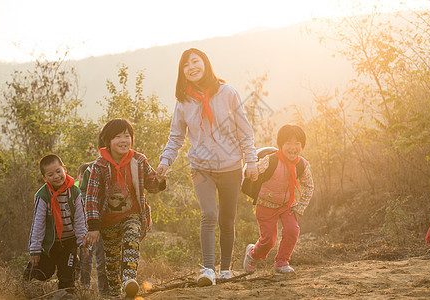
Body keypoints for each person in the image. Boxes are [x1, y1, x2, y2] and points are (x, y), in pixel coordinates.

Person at [156, 48, 258, 286]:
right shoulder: (183, 102)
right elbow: (176, 137)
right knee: (209, 214)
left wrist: (251, 160)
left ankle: (225, 269)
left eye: (195, 61)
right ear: (182, 72)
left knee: (227, 219)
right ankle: (208, 269)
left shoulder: (228, 93)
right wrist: (165, 161)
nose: (191, 67)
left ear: (205, 63)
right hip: (200, 168)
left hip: (231, 167)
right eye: (185, 65)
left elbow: (245, 132)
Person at [85, 118, 166, 299]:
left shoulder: (139, 160)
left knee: (131, 236)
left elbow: (151, 185)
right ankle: (116, 293)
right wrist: (93, 226)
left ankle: (129, 280)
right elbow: (90, 197)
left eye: (127, 136)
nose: (123, 140)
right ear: (108, 141)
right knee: (111, 263)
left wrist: (159, 180)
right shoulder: (98, 166)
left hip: (132, 214)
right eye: (118, 137)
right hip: (107, 222)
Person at [242, 124, 314, 275]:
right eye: (288, 143)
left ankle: (282, 262)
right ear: (281, 145)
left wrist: (300, 208)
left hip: (288, 205)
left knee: (292, 231)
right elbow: (254, 170)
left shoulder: (302, 165)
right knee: (268, 240)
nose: (293, 147)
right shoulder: (271, 160)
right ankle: (252, 254)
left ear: (302, 145)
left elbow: (309, 187)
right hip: (265, 205)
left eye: (297, 143)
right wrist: (250, 172)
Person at [24, 154, 88, 296]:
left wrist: (82, 242)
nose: (57, 176)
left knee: (67, 280)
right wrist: (35, 249)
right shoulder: (42, 196)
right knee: (44, 273)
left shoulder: (74, 192)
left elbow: (80, 220)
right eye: (51, 174)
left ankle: (64, 294)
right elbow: (38, 223)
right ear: (45, 178)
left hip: (69, 242)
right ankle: (30, 270)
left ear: (64, 169)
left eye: (59, 171)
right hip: (50, 244)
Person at [77, 162, 109, 294]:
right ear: (79, 176)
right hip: (85, 231)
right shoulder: (75, 190)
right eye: (82, 176)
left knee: (101, 258)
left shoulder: (95, 189)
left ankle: (104, 290)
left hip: (98, 226)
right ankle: (84, 284)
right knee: (85, 257)